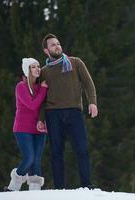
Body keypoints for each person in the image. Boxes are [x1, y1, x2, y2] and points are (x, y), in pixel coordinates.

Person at [37, 33, 98, 189]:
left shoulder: (75, 63)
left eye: (58, 43)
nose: (57, 46)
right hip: (53, 114)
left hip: (74, 112)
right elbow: (41, 98)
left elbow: (88, 84)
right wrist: (40, 119)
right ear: (46, 50)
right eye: (53, 45)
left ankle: (87, 185)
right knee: (56, 153)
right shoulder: (43, 71)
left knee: (82, 149)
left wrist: (93, 103)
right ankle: (59, 188)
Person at [4, 58, 48, 191]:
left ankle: (34, 193)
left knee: (36, 161)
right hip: (23, 128)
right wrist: (44, 90)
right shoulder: (21, 86)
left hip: (40, 128)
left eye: (38, 66)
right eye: (33, 67)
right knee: (29, 158)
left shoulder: (41, 87)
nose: (37, 69)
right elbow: (32, 105)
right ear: (27, 70)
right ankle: (13, 186)